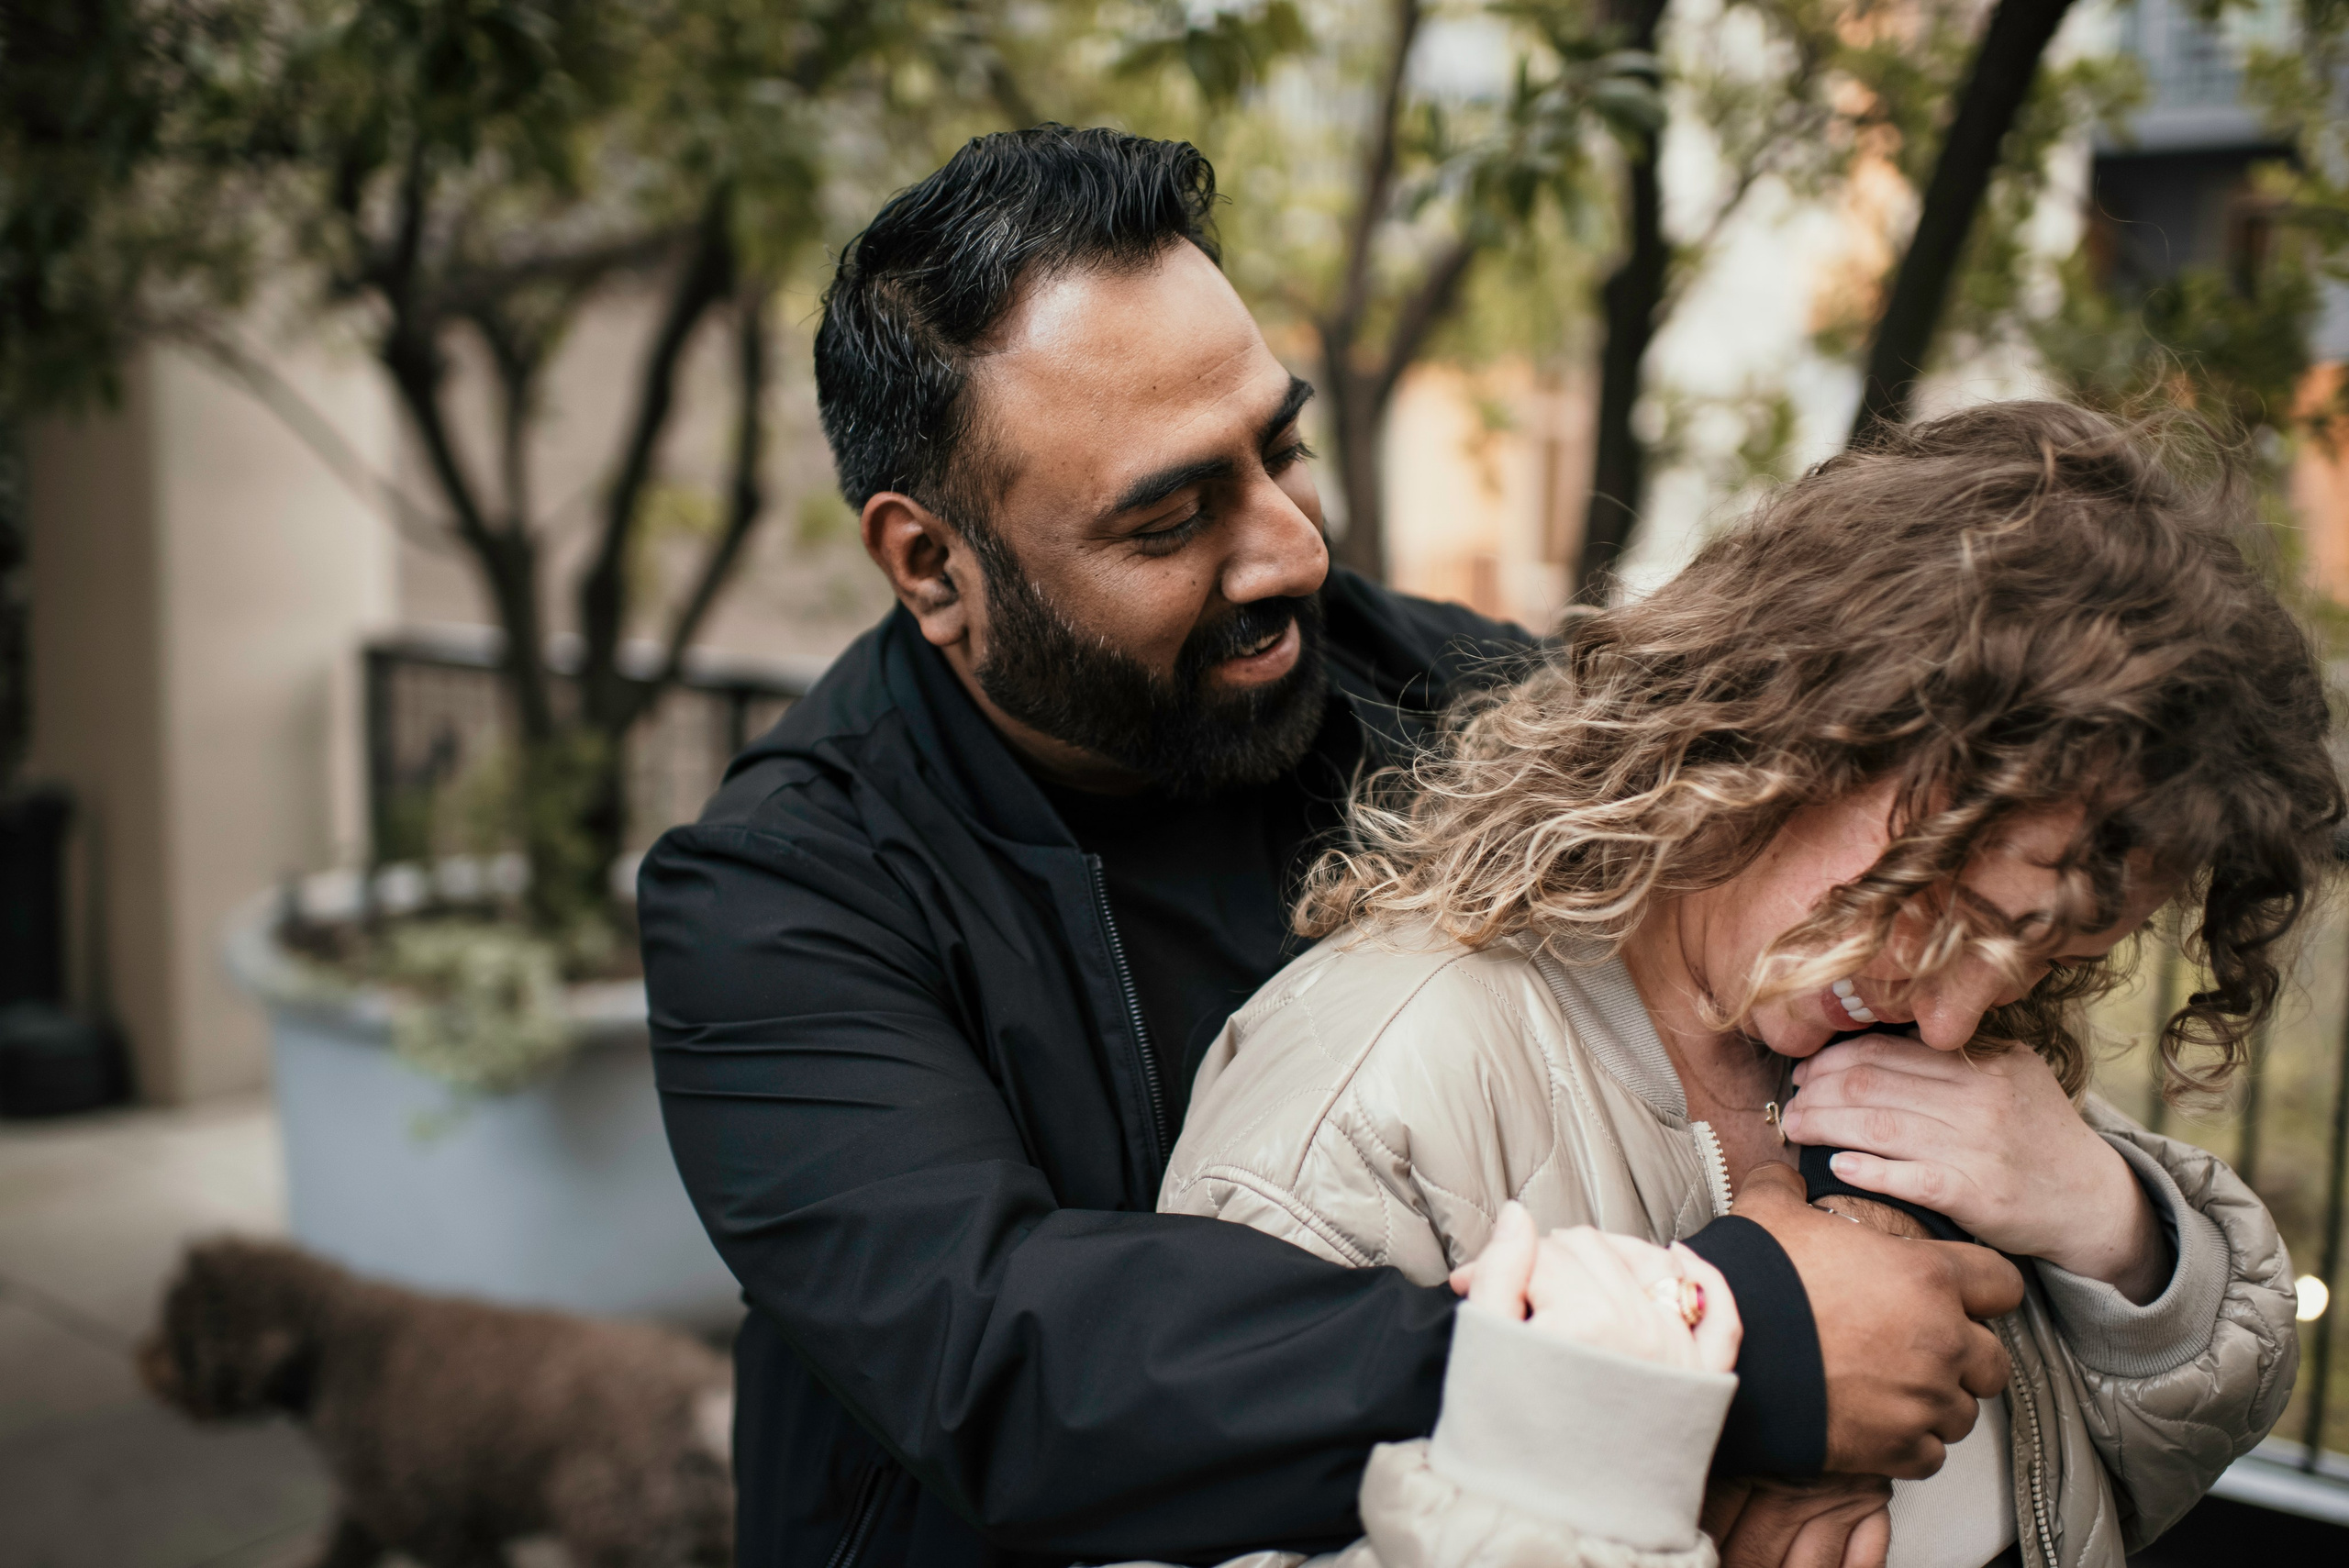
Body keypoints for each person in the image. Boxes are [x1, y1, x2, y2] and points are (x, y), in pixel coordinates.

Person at [640, 125, 2027, 1568]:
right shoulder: (771, 902)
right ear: (934, 565)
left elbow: (1782, 923)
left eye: (1281, 450)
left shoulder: (1460, 699)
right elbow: (1006, 1363)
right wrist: (1705, 1353)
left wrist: (1869, 1244)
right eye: (1169, 518)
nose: (1293, 549)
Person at [1160, 401, 2332, 1567]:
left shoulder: (1921, 1048)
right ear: (1793, 722)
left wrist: (2110, 1228)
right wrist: (1692, 1491)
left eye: (2042, 955)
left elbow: (2140, 1455)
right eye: (1947, 910)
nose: (1956, 1015)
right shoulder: (1374, 1094)